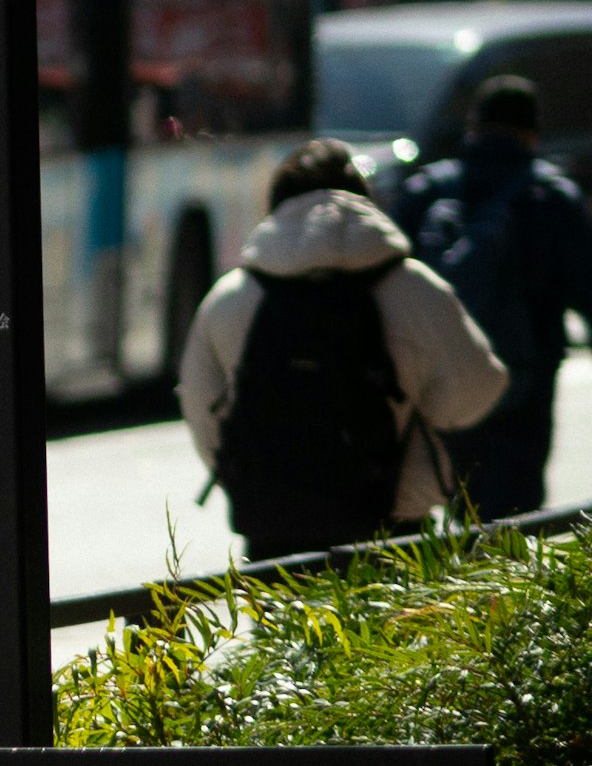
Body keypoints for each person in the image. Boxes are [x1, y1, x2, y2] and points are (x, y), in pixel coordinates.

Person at [180, 138, 507, 559]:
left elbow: (201, 408)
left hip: (273, 540)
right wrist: (416, 420)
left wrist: (257, 475)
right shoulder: (415, 287)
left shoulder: (230, 297)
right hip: (392, 532)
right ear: (366, 202)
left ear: (276, 205)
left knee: (283, 627)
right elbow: (482, 386)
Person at [391, 75, 592, 520]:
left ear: (473, 127)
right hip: (526, 380)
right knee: (516, 515)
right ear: (532, 131)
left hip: (445, 378)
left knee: (459, 501)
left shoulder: (426, 193)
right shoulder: (552, 197)